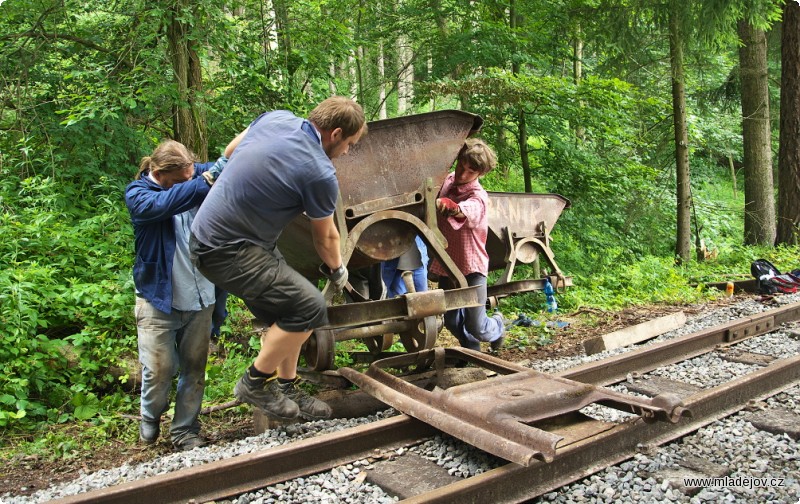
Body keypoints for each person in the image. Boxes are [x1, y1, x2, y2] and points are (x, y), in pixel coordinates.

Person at [189, 96, 367, 421]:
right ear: (336, 133)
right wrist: (339, 269)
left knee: (290, 308)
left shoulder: (276, 119)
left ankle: (287, 386)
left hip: (220, 236)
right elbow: (325, 236)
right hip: (227, 248)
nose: (347, 152)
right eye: (350, 144)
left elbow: (231, 150)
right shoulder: (319, 171)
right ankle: (254, 383)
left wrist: (219, 172)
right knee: (310, 306)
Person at [126, 139, 237, 451]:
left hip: (201, 296)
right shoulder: (138, 194)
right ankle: (150, 418)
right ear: (160, 173)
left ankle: (185, 430)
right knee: (159, 371)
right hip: (158, 300)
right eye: (181, 178)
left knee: (195, 369)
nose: (190, 180)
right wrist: (207, 180)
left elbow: (227, 163)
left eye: (192, 173)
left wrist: (251, 139)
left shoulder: (192, 176)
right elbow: (169, 202)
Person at [429, 138, 505, 352]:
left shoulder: (478, 197)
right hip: (448, 266)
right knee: (452, 321)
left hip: (471, 268)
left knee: (477, 325)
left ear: (480, 173)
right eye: (461, 165)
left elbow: (464, 210)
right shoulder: (449, 180)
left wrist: (450, 206)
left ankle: (498, 325)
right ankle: (473, 352)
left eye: (470, 171)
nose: (463, 174)